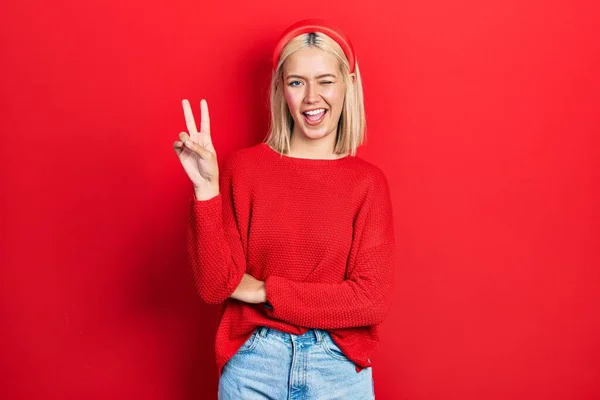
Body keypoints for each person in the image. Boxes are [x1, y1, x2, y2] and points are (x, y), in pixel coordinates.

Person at [173, 19, 396, 400]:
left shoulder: (367, 183)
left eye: (325, 80)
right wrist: (206, 189)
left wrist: (264, 290)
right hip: (255, 364)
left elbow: (370, 301)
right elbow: (216, 287)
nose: (312, 97)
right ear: (281, 90)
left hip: (338, 369)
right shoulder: (244, 169)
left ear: (348, 85)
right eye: (297, 82)